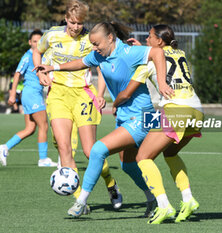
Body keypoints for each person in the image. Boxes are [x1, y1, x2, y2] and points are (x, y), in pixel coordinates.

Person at [34, 21, 167, 218]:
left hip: (141, 116)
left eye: (97, 44)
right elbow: (81, 62)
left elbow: (157, 53)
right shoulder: (99, 55)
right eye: (93, 45)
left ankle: (80, 202)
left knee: (97, 150)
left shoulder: (128, 52)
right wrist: (53, 67)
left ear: (110, 38)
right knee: (128, 166)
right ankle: (152, 200)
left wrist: (162, 83)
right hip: (124, 116)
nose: (94, 48)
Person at [32, 0, 121, 212]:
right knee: (64, 148)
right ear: (65, 19)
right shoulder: (52, 35)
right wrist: (40, 71)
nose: (75, 27)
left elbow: (101, 66)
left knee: (91, 152)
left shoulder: (90, 39)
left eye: (79, 23)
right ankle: (80, 200)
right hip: (58, 95)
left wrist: (100, 94)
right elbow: (37, 51)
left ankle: (111, 184)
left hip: (83, 94)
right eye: (72, 22)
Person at [120, 24, 203, 224]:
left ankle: (164, 205)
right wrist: (144, 49)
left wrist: (115, 103)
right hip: (197, 111)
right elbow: (160, 54)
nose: (147, 40)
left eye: (149, 37)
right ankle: (188, 199)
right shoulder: (178, 51)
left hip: (176, 111)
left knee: (143, 157)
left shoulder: (148, 64)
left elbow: (127, 92)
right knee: (170, 153)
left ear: (159, 41)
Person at [0, 29, 57, 167]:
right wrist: (13, 94)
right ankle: (43, 159)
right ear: (30, 42)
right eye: (35, 41)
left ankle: (4, 148)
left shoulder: (42, 55)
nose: (38, 44)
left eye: (40, 41)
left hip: (32, 94)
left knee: (30, 128)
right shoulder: (28, 56)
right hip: (31, 94)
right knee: (43, 125)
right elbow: (17, 74)